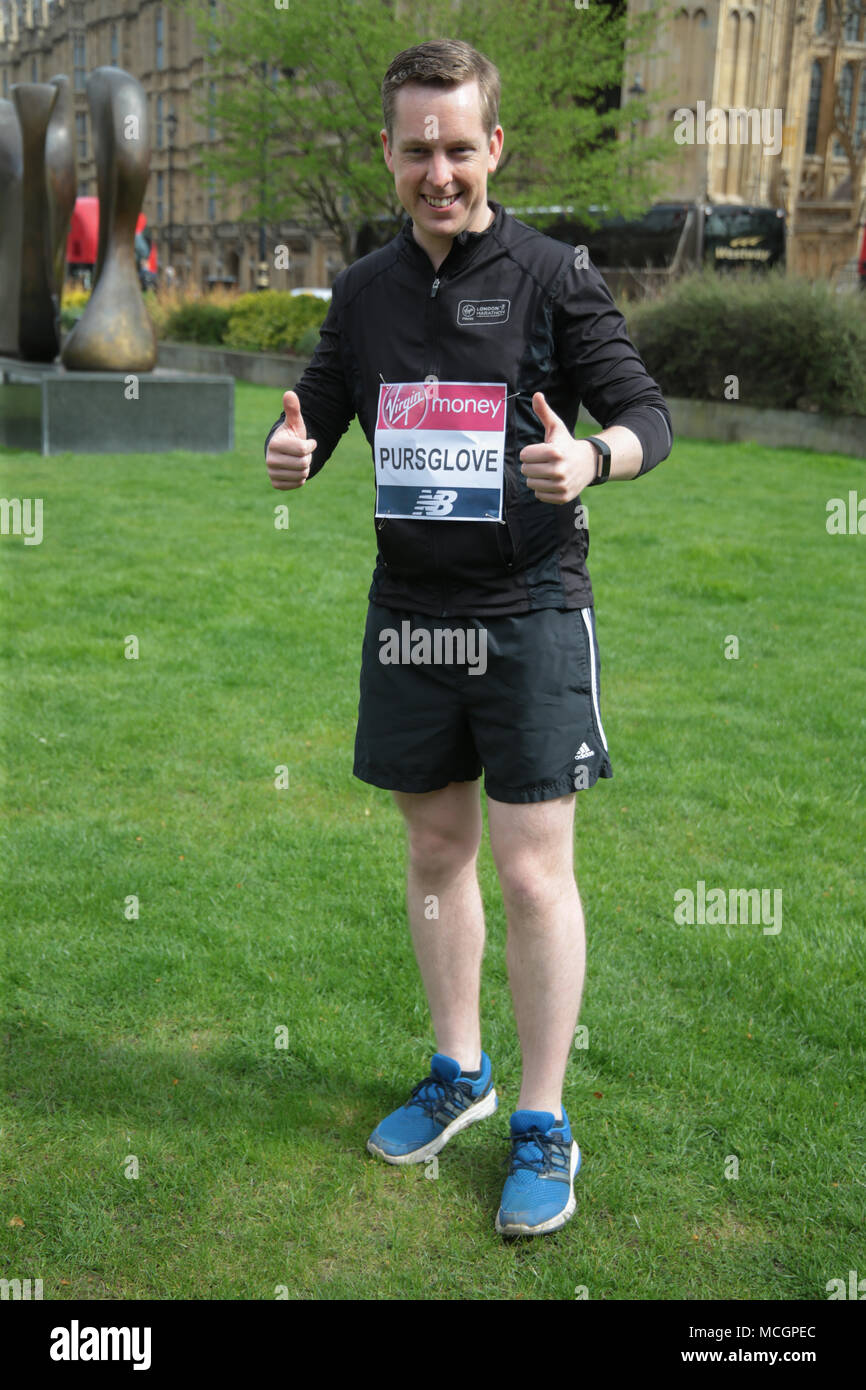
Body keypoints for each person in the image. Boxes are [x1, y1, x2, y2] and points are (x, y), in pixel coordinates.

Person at [264, 39, 672, 1237]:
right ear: (388, 155)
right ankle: (460, 1072)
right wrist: (295, 453)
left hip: (530, 610)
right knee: (434, 850)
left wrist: (591, 457)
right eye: (415, 149)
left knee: (532, 866)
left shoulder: (553, 276)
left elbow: (647, 411)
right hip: (411, 613)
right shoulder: (364, 291)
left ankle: (541, 1119)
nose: (437, 170)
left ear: (493, 145)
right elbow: (320, 413)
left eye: (457, 146)